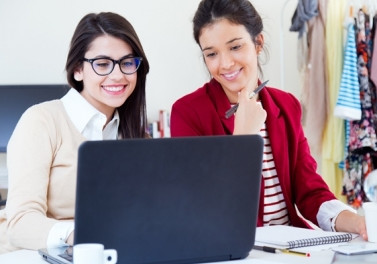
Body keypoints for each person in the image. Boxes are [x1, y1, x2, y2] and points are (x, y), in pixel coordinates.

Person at [170, 0, 368, 239]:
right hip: (233, 248)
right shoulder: (188, 113)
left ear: (258, 43)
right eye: (211, 54)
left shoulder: (287, 105)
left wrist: (358, 223)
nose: (225, 64)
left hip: (290, 247)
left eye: (235, 47)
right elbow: (203, 205)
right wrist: (243, 138)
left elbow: (311, 192)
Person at [0, 12, 150, 253]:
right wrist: (79, 235)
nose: (118, 75)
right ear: (78, 69)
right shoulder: (42, 120)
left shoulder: (138, 137)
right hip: (35, 256)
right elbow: (20, 222)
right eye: (102, 64)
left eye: (127, 62)